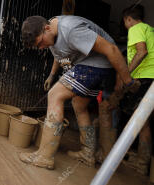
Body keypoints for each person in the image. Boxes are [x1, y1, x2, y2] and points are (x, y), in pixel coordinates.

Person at [19, 15, 139, 170]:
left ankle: (44, 157)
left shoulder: (71, 29)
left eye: (40, 42)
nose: (41, 47)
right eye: (38, 46)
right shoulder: (50, 35)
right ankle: (88, 152)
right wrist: (52, 76)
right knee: (78, 103)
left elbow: (112, 49)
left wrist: (127, 80)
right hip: (88, 63)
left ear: (47, 28)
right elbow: (60, 54)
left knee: (55, 95)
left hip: (102, 62)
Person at [97, 4, 154, 175]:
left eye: (125, 21)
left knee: (112, 108)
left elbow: (141, 51)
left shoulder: (135, 28)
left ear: (128, 19)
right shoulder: (150, 29)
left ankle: (110, 156)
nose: (125, 25)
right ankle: (141, 163)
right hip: (150, 79)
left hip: (143, 78)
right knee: (142, 119)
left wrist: (125, 73)